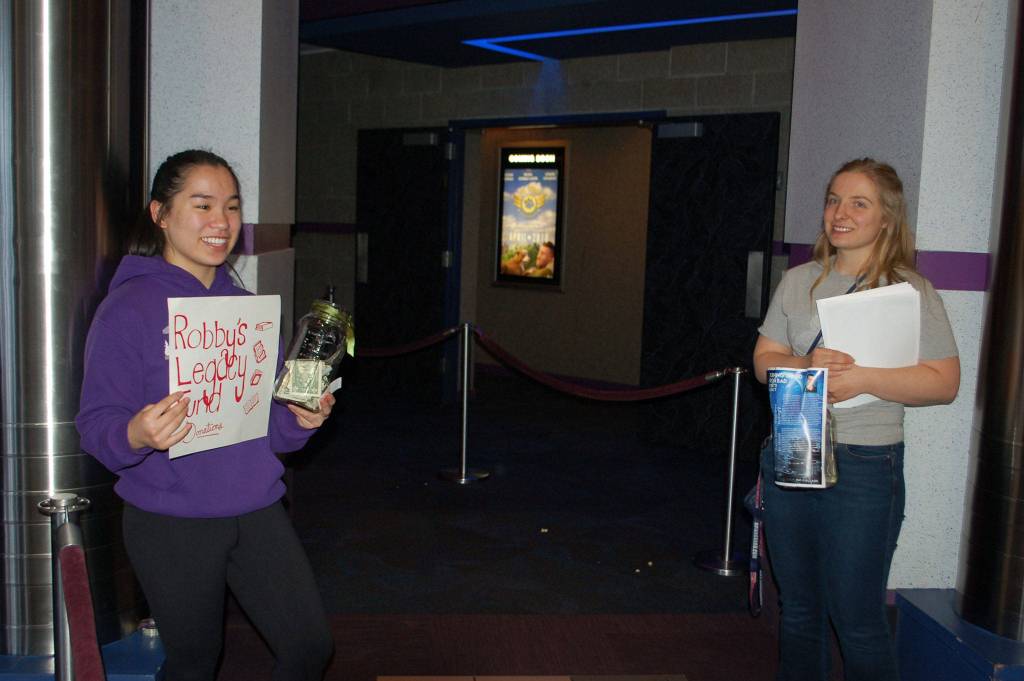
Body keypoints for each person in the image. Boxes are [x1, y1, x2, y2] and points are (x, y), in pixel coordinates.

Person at [76, 150, 336, 681]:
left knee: (309, 647)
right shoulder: (128, 308)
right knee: (195, 663)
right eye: (202, 205)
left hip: (255, 506)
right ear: (160, 214)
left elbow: (270, 427)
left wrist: (300, 420)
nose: (221, 222)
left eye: (232, 206)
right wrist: (137, 432)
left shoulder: (243, 304)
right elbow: (96, 425)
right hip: (172, 519)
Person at [752, 158, 960, 681]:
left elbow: (943, 382)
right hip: (796, 450)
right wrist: (804, 366)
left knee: (857, 618)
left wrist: (863, 377)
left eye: (858, 203)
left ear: (886, 217)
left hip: (867, 463)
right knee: (798, 611)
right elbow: (763, 361)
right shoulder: (799, 282)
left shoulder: (909, 292)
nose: (839, 213)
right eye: (833, 200)